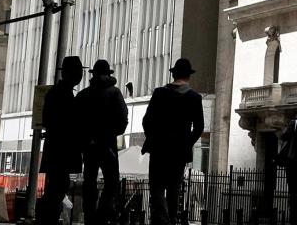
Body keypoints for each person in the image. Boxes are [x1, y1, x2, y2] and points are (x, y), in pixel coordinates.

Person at [143, 57, 204, 225]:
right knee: (173, 190)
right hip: (179, 152)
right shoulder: (194, 98)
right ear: (188, 76)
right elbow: (199, 127)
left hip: (159, 149)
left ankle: (161, 219)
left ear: (174, 75)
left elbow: (147, 121)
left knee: (156, 187)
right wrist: (186, 143)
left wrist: (153, 138)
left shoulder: (159, 93)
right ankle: (171, 218)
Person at [78, 59, 129, 225]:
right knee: (112, 182)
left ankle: (89, 216)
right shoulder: (114, 93)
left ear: (93, 74)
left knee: (89, 181)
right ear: (109, 74)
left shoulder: (83, 95)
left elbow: (74, 121)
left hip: (88, 146)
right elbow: (122, 119)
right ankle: (102, 213)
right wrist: (112, 133)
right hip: (108, 145)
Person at [38, 56, 86, 225]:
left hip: (56, 148)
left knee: (57, 186)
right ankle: (47, 219)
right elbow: (67, 124)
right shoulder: (63, 95)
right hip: (61, 149)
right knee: (58, 187)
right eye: (78, 71)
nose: (80, 75)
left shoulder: (56, 93)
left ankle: (46, 218)